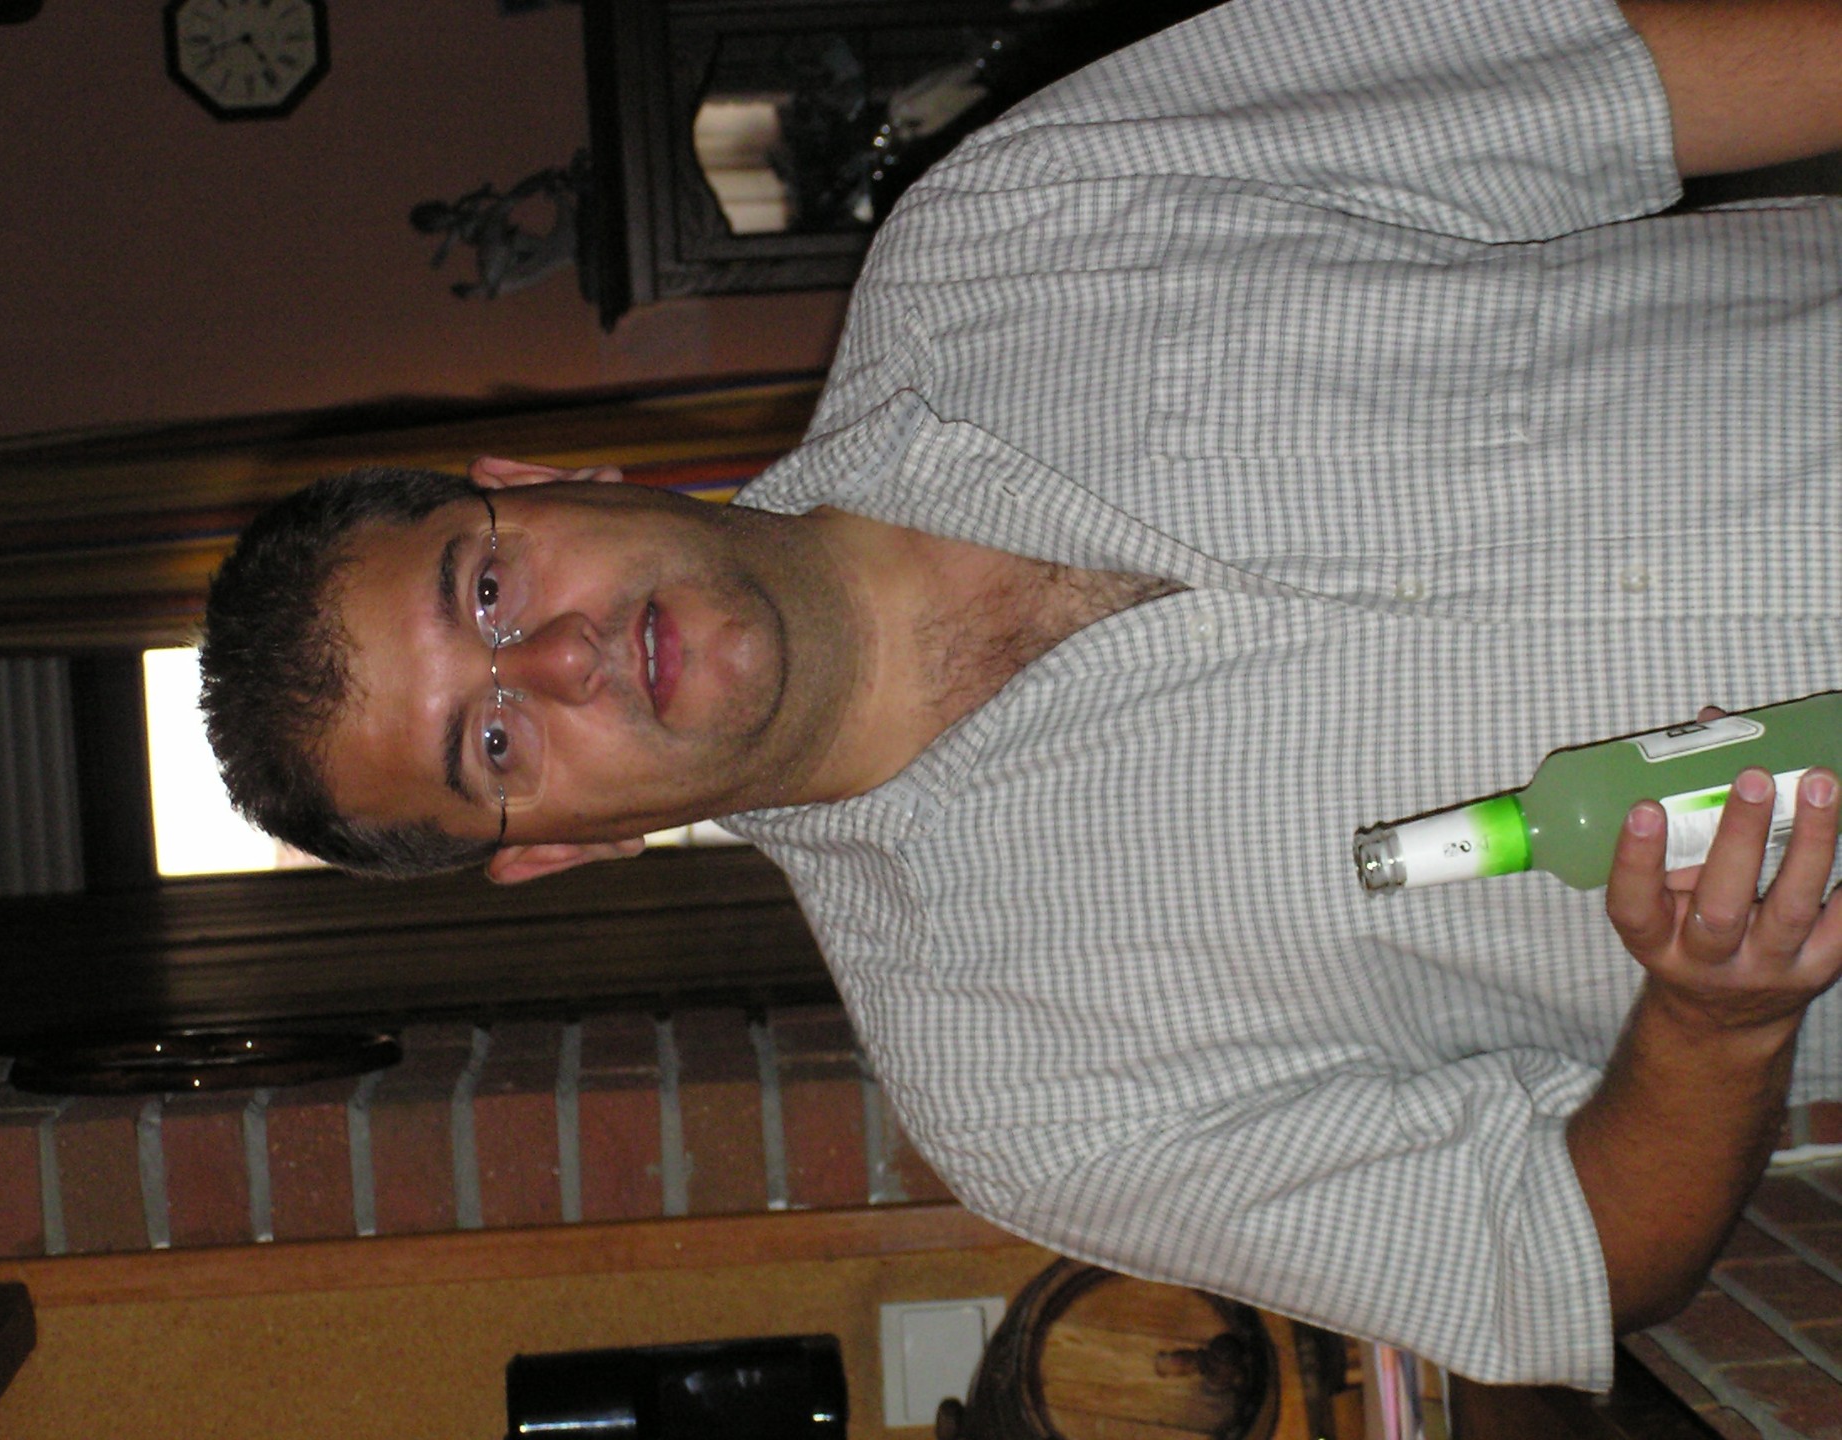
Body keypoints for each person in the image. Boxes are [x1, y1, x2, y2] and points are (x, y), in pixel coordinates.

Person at [198, 0, 1842, 1388]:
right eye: (493, 744)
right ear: (559, 848)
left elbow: (1627, 78)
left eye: (486, 590)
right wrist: (1717, 1024)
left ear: (536, 480)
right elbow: (1576, 1259)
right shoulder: (1025, 1095)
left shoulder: (1031, 208)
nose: (560, 660)